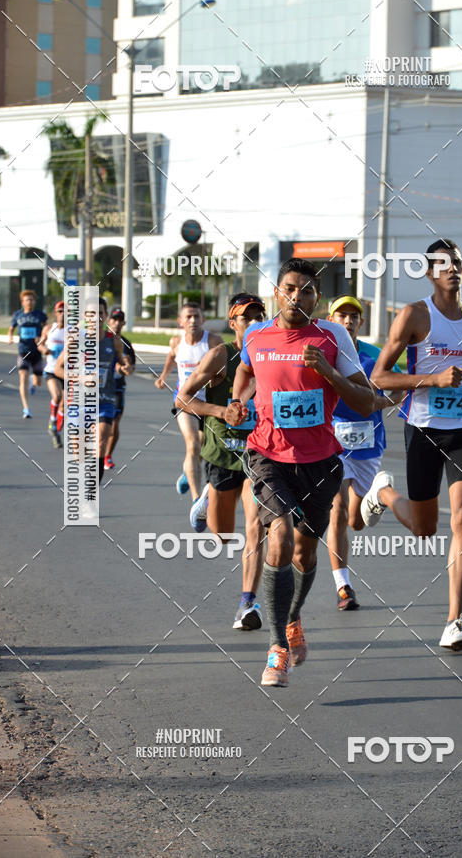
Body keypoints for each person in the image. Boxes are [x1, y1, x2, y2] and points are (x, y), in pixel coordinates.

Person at [228, 258, 374, 687]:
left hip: (321, 460)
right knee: (279, 535)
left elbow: (365, 401)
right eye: (290, 288)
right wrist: (239, 400)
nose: (297, 296)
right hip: (268, 454)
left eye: (306, 290)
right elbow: (245, 370)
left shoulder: (333, 336)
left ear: (318, 297)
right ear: (278, 290)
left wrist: (326, 371)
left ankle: (291, 618)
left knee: (305, 554)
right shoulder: (257, 335)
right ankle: (276, 648)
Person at [366, 239, 462, 651]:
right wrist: (432, 380)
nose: (453, 268)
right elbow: (380, 377)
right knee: (424, 528)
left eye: (458, 261)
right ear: (430, 273)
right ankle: (382, 493)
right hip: (423, 428)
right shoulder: (415, 315)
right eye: (443, 264)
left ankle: (455, 621)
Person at [175, 293, 266, 629]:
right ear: (233, 324)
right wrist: (220, 411)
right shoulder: (220, 356)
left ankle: (248, 605)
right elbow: (182, 397)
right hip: (222, 455)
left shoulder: (271, 357)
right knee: (223, 536)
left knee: (255, 527)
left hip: (260, 457)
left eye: (260, 317)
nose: (254, 323)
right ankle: (206, 499)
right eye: (246, 318)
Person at [326, 296, 403, 611]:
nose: (348, 321)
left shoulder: (374, 356)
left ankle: (375, 495)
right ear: (331, 320)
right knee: (338, 510)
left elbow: (399, 387)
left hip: (368, 445)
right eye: (341, 315)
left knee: (357, 522)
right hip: (333, 444)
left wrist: (379, 403)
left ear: (360, 322)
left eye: (353, 316)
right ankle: (343, 586)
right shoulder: (325, 356)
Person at [155, 303, 222, 525]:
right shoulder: (176, 342)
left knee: (203, 448)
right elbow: (171, 357)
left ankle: (187, 473)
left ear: (203, 319)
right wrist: (164, 375)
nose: (193, 320)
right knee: (192, 445)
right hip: (185, 401)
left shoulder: (212, 341)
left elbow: (224, 366)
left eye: (197, 316)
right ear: (180, 321)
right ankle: (196, 501)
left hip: (209, 403)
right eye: (189, 317)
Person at [56, 297, 132, 483]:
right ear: (84, 316)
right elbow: (58, 369)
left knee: (100, 442)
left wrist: (124, 367)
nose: (95, 318)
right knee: (79, 454)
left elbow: (122, 363)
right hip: (78, 402)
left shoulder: (114, 342)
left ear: (105, 316)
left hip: (104, 400)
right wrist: (80, 378)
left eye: (99, 313)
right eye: (90, 314)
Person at [103, 307, 136, 470]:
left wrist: (127, 368)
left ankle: (107, 455)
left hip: (117, 389)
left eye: (119, 320)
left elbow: (130, 366)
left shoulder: (126, 344)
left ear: (123, 323)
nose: (116, 323)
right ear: (108, 321)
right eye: (113, 320)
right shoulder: (100, 339)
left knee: (114, 424)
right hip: (97, 389)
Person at [8, 290, 47, 418]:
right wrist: (10, 337)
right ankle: (26, 408)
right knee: (23, 376)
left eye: (32, 299)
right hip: (23, 351)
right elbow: (11, 328)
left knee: (38, 381)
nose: (29, 301)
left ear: (35, 302)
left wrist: (42, 338)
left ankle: (33, 382)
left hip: (36, 351)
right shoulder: (17, 315)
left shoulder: (39, 315)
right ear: (22, 302)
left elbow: (47, 329)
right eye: (27, 299)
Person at [38, 300, 65, 448]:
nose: (62, 314)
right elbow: (40, 344)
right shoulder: (49, 329)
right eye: (60, 311)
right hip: (51, 371)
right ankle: (53, 421)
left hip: (67, 372)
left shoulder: (72, 331)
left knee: (65, 405)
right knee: (57, 396)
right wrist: (44, 350)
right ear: (55, 313)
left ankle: (56, 429)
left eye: (65, 311)